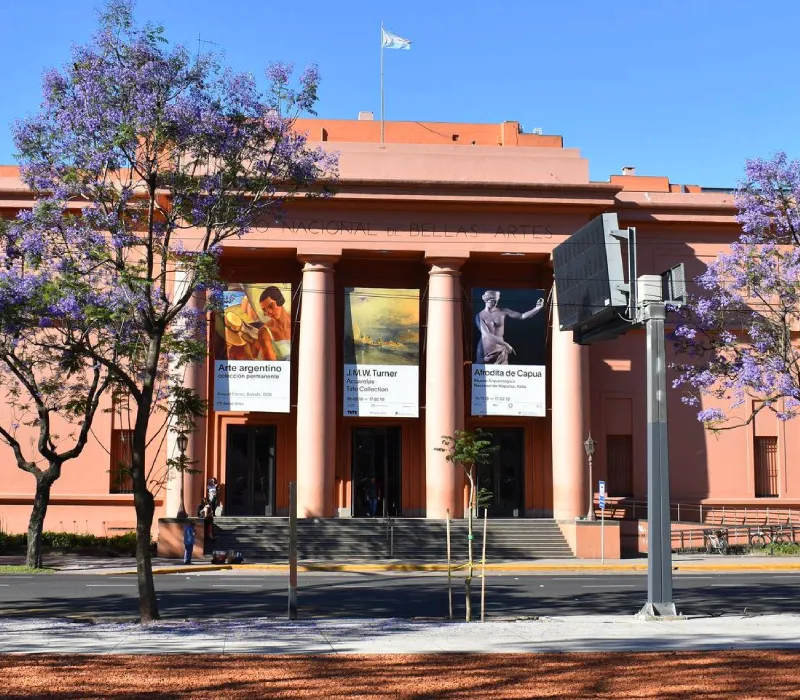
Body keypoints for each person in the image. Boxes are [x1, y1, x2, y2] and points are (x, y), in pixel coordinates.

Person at [475, 291, 545, 364]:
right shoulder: (480, 316)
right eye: (493, 300)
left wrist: (537, 308)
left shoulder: (503, 311)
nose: (496, 303)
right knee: (481, 370)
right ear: (486, 299)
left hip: (500, 351)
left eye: (497, 300)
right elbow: (487, 335)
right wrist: (506, 344)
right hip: (486, 351)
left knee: (504, 370)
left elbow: (522, 316)